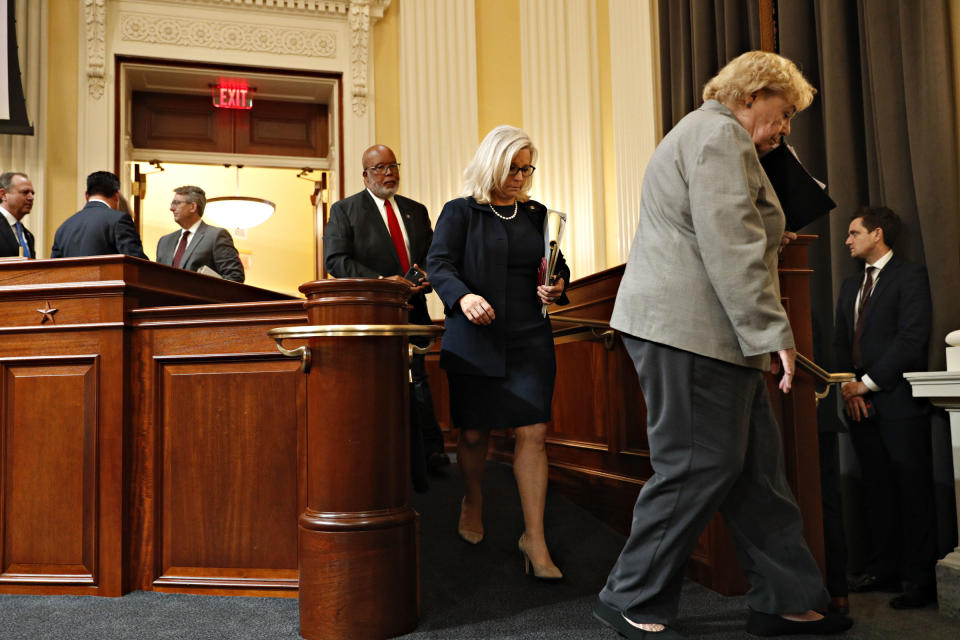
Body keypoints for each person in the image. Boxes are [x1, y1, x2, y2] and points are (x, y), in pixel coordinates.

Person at [593, 51, 853, 638]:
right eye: (783, 113)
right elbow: (730, 243)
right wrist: (772, 332)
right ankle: (629, 596)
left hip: (712, 336)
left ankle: (785, 598)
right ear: (751, 94)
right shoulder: (718, 136)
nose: (785, 129)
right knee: (695, 464)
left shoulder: (705, 134)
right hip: (688, 332)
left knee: (755, 470)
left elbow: (728, 227)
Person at [426, 125, 569, 580]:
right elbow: (439, 264)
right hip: (475, 338)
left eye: (528, 169)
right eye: (514, 168)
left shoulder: (536, 214)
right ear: (493, 163)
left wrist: (557, 285)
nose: (522, 177)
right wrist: (462, 297)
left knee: (534, 433)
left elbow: (556, 262)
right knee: (472, 435)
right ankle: (472, 497)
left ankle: (535, 537)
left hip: (529, 336)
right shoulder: (460, 212)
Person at [323, 144, 450, 491]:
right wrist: (383, 283)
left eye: (392, 166)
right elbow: (335, 261)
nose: (388, 173)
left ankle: (430, 453)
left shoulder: (416, 211)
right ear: (365, 175)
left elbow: (433, 256)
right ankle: (385, 458)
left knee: (420, 381)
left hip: (415, 311)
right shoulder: (345, 210)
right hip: (373, 315)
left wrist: (425, 275)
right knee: (381, 388)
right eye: (379, 168)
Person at [836, 206, 936, 609]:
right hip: (858, 402)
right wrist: (849, 387)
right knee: (876, 489)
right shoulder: (848, 285)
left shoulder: (909, 276)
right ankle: (884, 568)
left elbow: (911, 339)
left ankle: (919, 580)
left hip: (897, 400)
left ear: (877, 234)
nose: (847, 240)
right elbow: (841, 342)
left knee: (910, 488)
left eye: (854, 232)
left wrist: (868, 384)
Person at [50, 171, 148, 259]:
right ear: (117, 195)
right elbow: (136, 263)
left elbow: (53, 270)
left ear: (86, 195)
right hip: (109, 279)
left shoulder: (64, 227)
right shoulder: (119, 220)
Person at [156, 185, 245, 282]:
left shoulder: (216, 236)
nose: (172, 208)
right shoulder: (164, 241)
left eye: (177, 203)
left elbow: (235, 277)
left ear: (193, 207)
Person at [0, 172, 36, 258]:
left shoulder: (28, 236)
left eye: (32, 193)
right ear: (3, 195)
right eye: (25, 192)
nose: (31, 197)